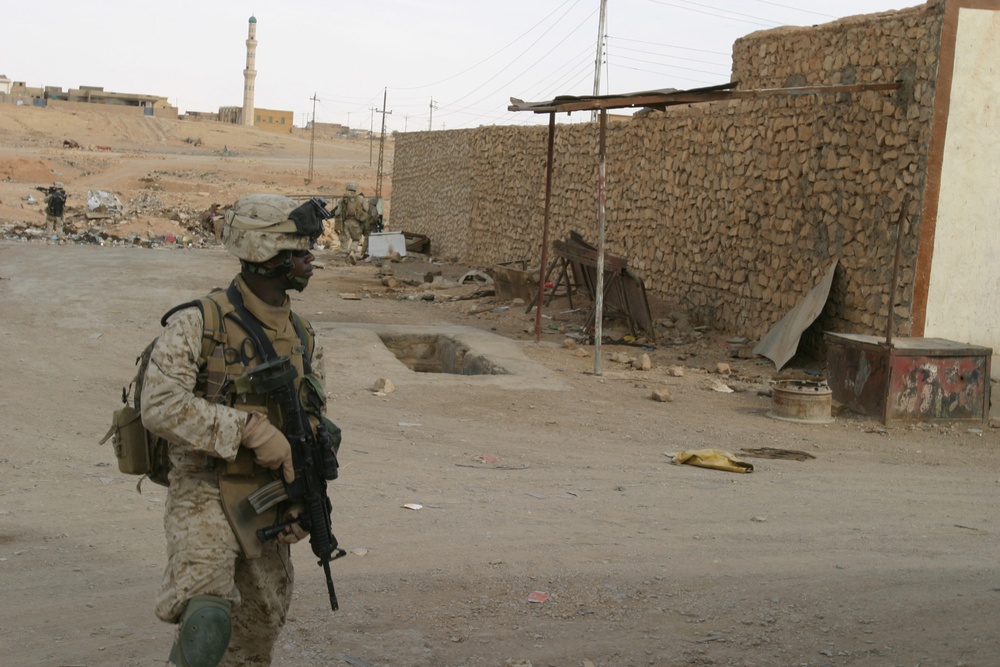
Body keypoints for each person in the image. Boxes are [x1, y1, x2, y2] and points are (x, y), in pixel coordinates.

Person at [140, 194, 335, 666]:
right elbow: (159, 405)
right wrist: (245, 428)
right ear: (265, 254)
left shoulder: (305, 337)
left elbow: (308, 427)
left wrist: (300, 499)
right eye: (299, 249)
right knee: (208, 622)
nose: (311, 258)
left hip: (268, 498)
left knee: (253, 641)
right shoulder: (198, 324)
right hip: (204, 487)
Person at [334, 182, 369, 263]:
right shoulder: (360, 198)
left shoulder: (342, 199)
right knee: (356, 239)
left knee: (344, 239)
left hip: (345, 222)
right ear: (355, 189)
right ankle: (352, 251)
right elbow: (366, 209)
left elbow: (337, 212)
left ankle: (343, 255)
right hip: (356, 223)